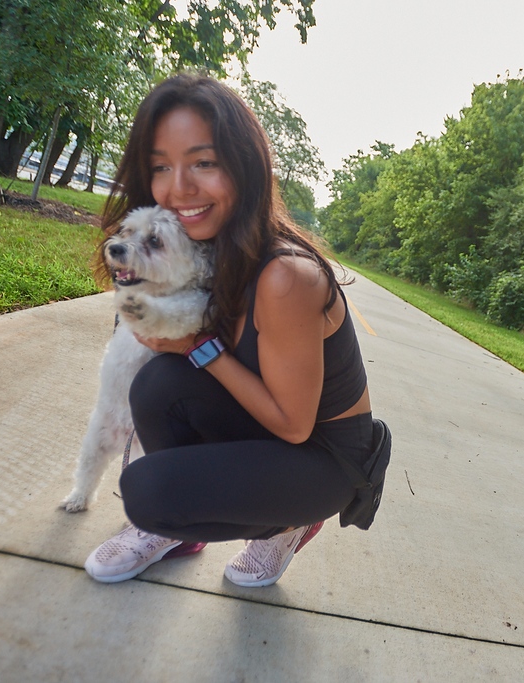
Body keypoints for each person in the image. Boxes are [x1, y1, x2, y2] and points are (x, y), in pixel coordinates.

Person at [82, 73, 373, 587]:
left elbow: (293, 425)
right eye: (160, 167)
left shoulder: (285, 276)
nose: (178, 188)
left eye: (204, 162)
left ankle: (286, 525)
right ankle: (181, 530)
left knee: (149, 493)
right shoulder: (207, 251)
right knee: (156, 384)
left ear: (245, 166)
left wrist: (198, 346)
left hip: (322, 455)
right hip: (262, 423)